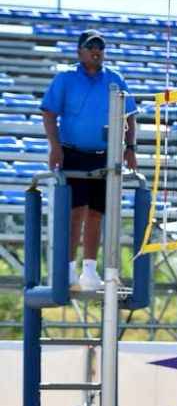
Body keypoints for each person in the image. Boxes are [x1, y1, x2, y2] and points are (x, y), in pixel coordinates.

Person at [41, 29, 138, 292]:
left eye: (100, 47)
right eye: (91, 46)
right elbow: (49, 113)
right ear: (80, 51)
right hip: (74, 153)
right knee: (76, 212)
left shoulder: (115, 79)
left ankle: (90, 270)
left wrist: (130, 148)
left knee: (97, 213)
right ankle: (70, 268)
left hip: (105, 155)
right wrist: (55, 147)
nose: (96, 51)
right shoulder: (66, 78)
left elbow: (130, 115)